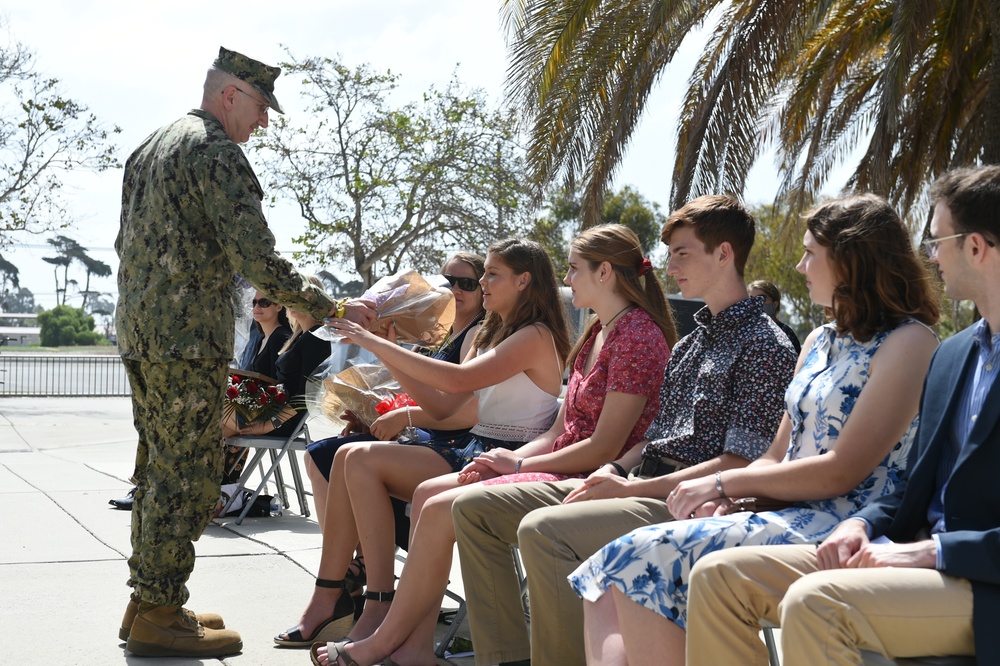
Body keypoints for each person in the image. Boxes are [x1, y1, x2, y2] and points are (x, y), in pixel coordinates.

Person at [572, 194, 940, 666]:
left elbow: (840, 473)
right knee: (619, 562)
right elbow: (776, 457)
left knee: (640, 558)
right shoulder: (818, 339)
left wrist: (723, 482)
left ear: (852, 259)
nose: (801, 265)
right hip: (787, 510)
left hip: (851, 523)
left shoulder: (910, 341)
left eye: (812, 253)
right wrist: (740, 498)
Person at [450, 194, 798, 666]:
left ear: (724, 253)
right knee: (473, 508)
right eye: (670, 252)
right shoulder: (693, 340)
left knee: (545, 532)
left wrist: (628, 480)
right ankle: (506, 658)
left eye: (682, 252)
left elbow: (742, 462)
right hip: (639, 480)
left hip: (689, 499)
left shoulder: (765, 345)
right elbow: (655, 437)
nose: (669, 265)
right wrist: (614, 471)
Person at [311, 224, 678, 666]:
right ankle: (409, 645)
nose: (566, 279)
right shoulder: (597, 332)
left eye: (574, 269)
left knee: (445, 503)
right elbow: (561, 426)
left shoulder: (634, 336)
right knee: (424, 491)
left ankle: (389, 638)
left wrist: (516, 465)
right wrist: (514, 458)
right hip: (550, 459)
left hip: (593, 477)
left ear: (604, 273)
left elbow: (603, 447)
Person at [114, 47, 373, 658]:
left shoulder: (153, 146)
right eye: (260, 107)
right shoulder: (214, 152)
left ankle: (152, 598)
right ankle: (158, 610)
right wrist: (327, 307)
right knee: (188, 474)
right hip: (185, 341)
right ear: (229, 94)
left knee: (157, 468)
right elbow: (257, 257)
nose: (262, 123)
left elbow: (128, 241)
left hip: (146, 336)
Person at [685, 167, 1000, 665]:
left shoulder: (918, 345)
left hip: (982, 585)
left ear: (977, 247)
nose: (932, 256)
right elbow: (913, 482)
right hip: (906, 557)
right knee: (718, 577)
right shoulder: (956, 354)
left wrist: (933, 552)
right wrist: (863, 523)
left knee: (818, 603)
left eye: (939, 240)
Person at [275, 238, 570, 653]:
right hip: (476, 447)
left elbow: (455, 383)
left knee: (355, 459)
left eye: (491, 274)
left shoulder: (534, 335)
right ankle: (368, 598)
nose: (481, 282)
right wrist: (392, 350)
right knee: (349, 456)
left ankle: (370, 605)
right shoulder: (491, 332)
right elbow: (442, 404)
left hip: (503, 457)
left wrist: (374, 342)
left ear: (524, 281)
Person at [302, 253, 486, 608]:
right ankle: (353, 568)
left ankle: (360, 578)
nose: (457, 290)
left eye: (468, 283)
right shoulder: (439, 331)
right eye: (449, 281)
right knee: (320, 457)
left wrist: (404, 417)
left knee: (338, 457)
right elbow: (409, 390)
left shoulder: (478, 334)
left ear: (483, 290)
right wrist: (372, 414)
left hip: (451, 441)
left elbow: (464, 411)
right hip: (423, 434)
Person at [748, 278, 801, 353]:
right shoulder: (746, 331)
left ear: (775, 304)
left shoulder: (786, 332)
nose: (755, 303)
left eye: (760, 299)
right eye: (751, 299)